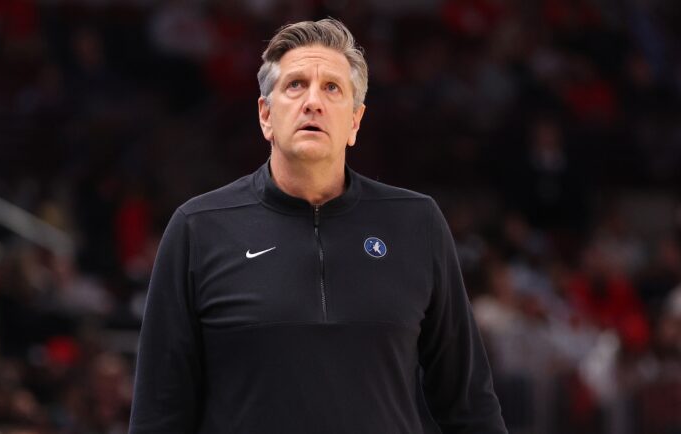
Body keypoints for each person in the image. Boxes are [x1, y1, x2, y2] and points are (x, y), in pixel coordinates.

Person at [129, 18, 507, 434]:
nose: (313, 102)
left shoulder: (417, 223)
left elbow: (470, 406)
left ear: (355, 122)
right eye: (295, 85)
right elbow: (158, 415)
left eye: (332, 88)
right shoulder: (197, 229)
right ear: (265, 115)